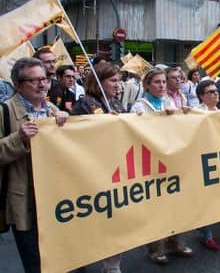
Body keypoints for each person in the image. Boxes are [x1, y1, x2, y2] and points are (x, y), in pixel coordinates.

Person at [0, 57, 68, 273]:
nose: (42, 84)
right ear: (18, 85)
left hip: (54, 199)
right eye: (34, 80)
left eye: (45, 79)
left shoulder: (53, 111)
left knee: (58, 259)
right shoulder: (4, 111)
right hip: (24, 201)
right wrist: (18, 139)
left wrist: (68, 124)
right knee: (35, 263)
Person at [130, 68, 194, 264]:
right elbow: (137, 131)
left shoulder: (171, 101)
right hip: (153, 163)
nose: (161, 86)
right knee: (157, 206)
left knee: (177, 203)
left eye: (163, 82)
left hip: (173, 158)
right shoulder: (139, 106)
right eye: (157, 82)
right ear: (147, 85)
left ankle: (175, 241)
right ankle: (155, 248)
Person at [71, 63, 126, 272]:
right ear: (99, 82)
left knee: (115, 221)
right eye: (113, 80)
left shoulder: (118, 104)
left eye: (118, 80)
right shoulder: (85, 104)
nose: (117, 84)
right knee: (89, 222)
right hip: (91, 172)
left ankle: (112, 266)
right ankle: (78, 262)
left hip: (115, 170)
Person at [193, 80, 220, 250]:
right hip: (201, 162)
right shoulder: (196, 113)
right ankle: (206, 234)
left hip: (216, 160)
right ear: (201, 96)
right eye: (211, 92)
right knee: (204, 199)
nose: (215, 94)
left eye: (216, 91)